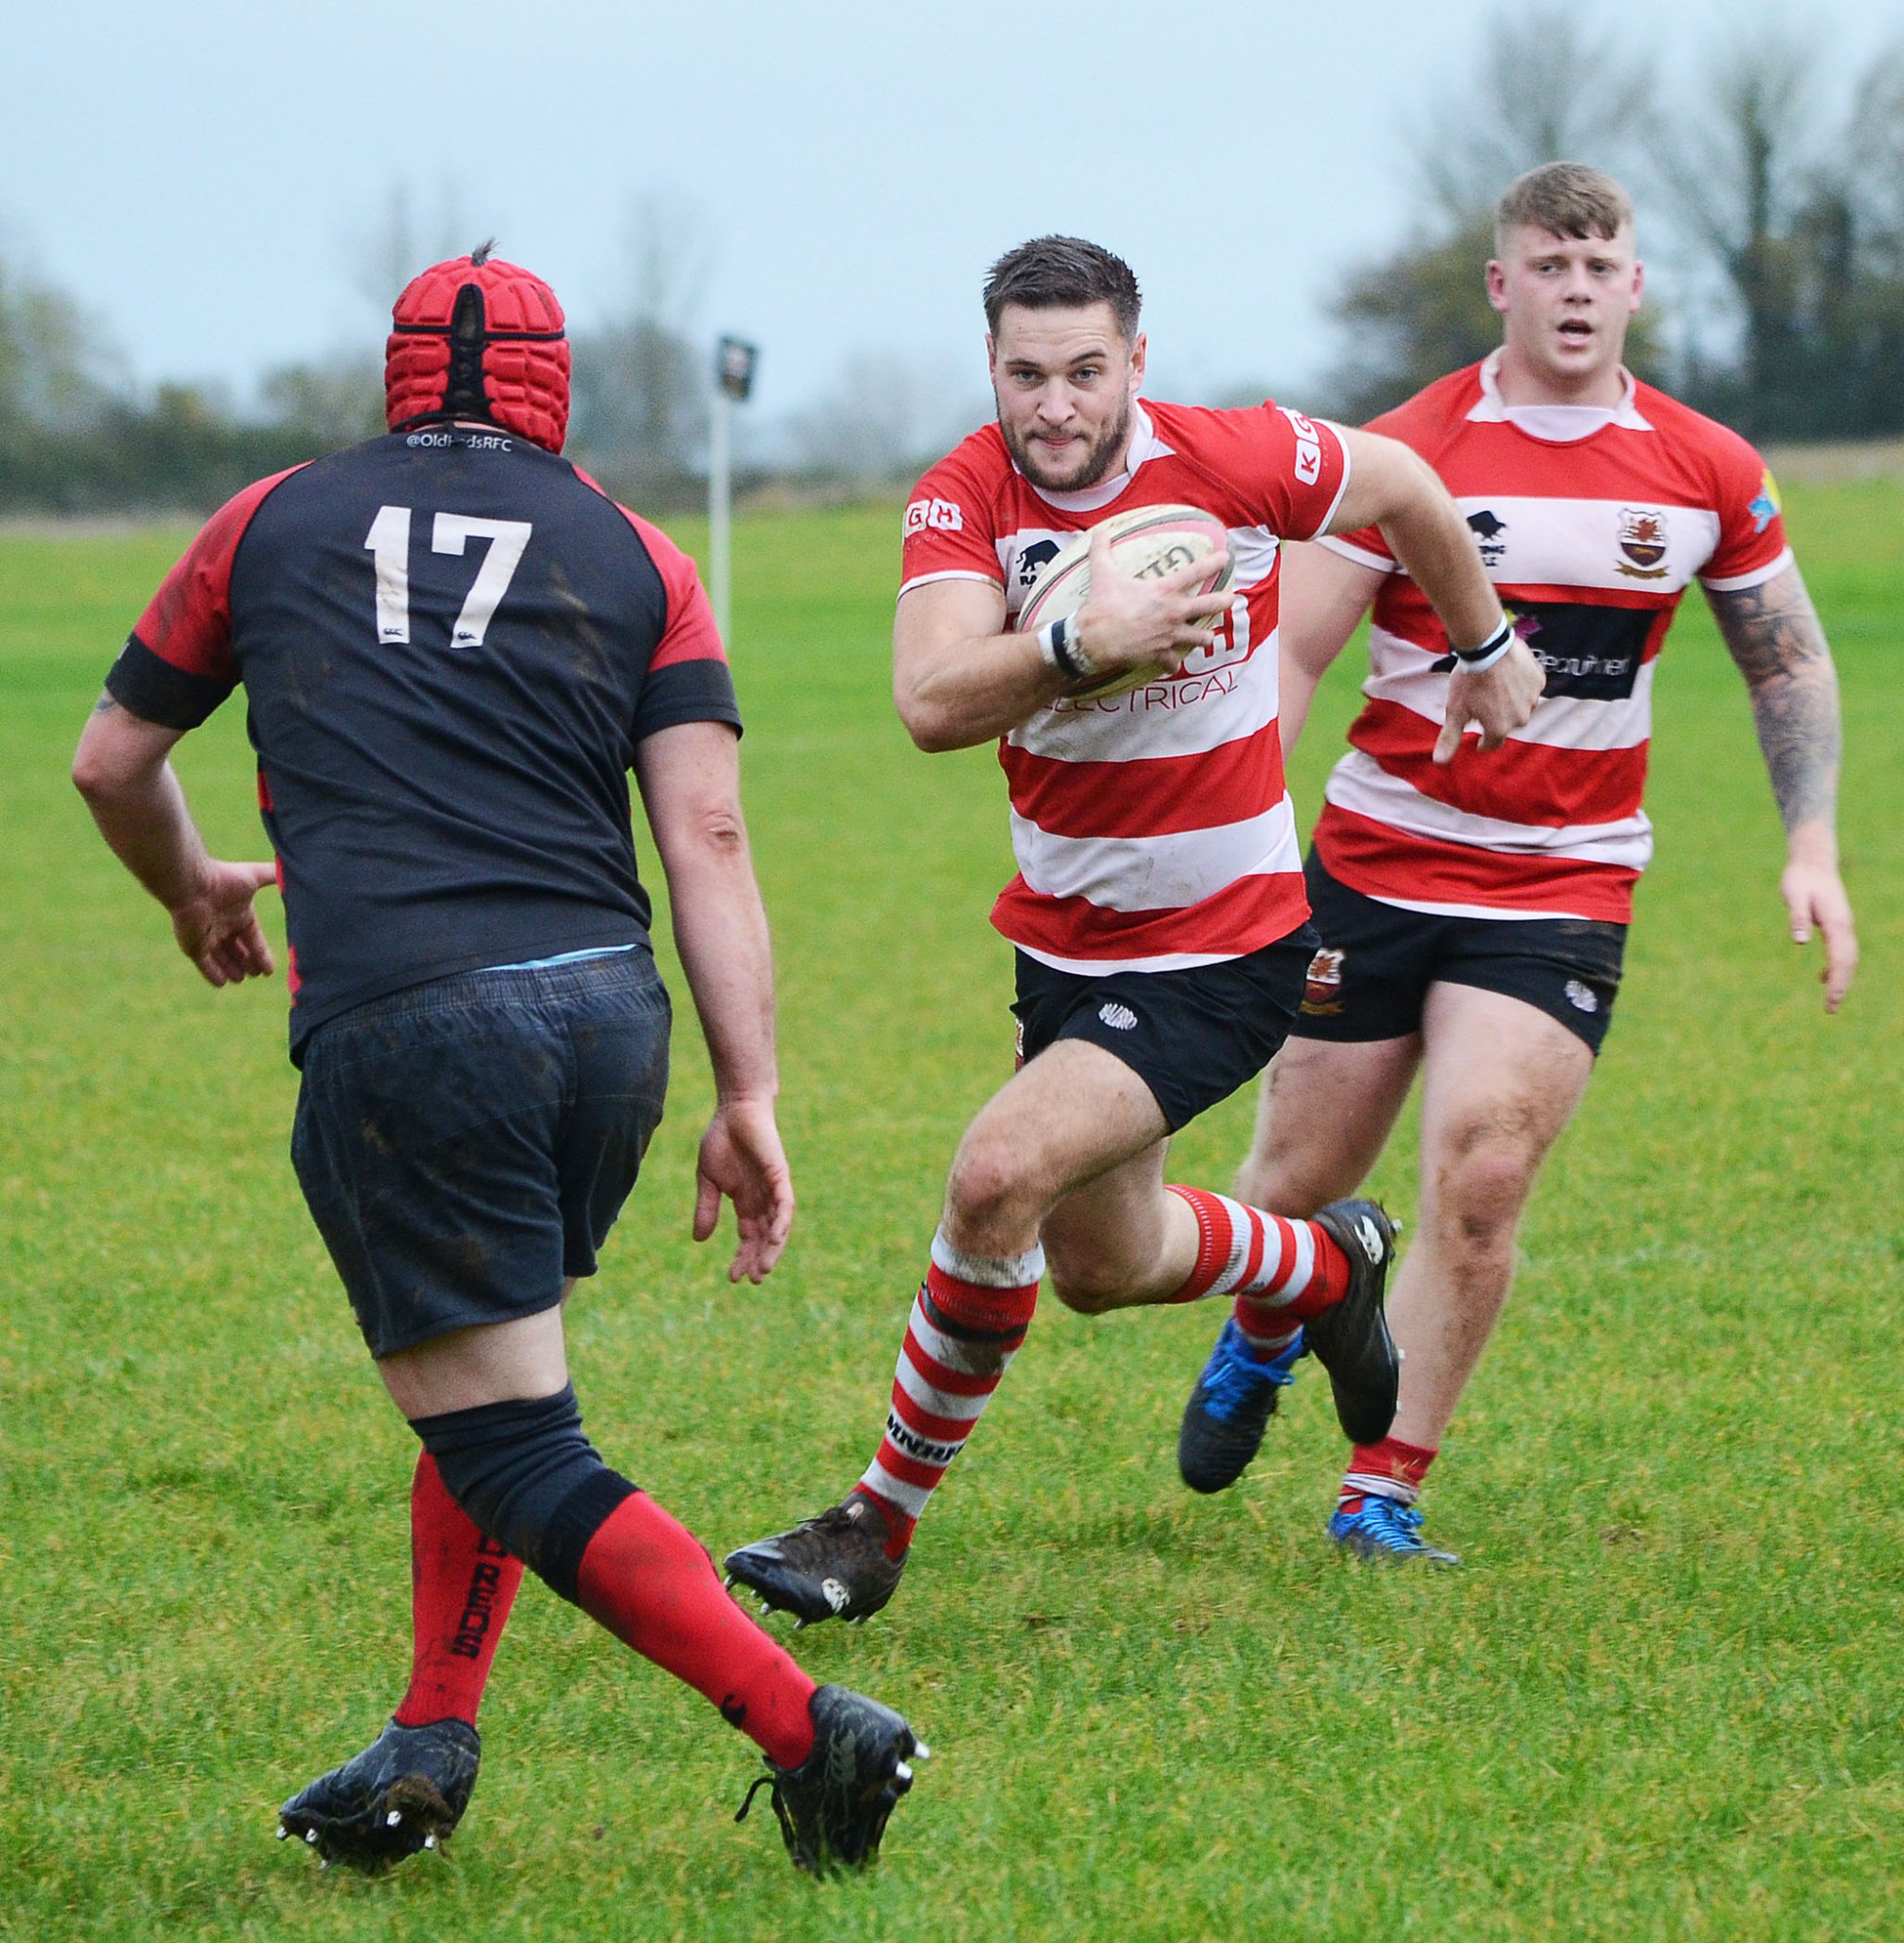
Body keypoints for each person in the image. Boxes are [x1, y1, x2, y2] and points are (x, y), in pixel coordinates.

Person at [69, 249, 921, 1878]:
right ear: (561, 382)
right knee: (494, 1391)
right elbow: (711, 837)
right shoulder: (642, 553)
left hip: (407, 1027)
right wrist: (748, 1096)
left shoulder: (266, 521)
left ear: (397, 368)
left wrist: (193, 889)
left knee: (513, 1436)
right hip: (605, 1026)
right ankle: (430, 1737)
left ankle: (816, 1733)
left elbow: (114, 761)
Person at [721, 234, 1533, 1626]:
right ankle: (1332, 1266)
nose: (1056, 406)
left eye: (1086, 371)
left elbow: (1403, 484)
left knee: (993, 1181)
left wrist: (1483, 642)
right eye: (1027, 374)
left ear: (1136, 364)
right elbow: (928, 701)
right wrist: (1085, 643)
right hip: (1068, 947)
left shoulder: (1233, 460)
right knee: (1107, 1266)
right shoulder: (960, 501)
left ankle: (873, 1526)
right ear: (991, 367)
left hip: (1228, 946)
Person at [1174, 162, 1858, 1563]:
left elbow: (1783, 657)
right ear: (1503, 283)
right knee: (1291, 1184)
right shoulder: (1410, 452)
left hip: (1563, 883)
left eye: (1602, 268)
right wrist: (1238, 848)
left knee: (1482, 1177)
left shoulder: (1705, 468)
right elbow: (1292, 652)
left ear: (1637, 286)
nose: (1578, 292)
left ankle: (1382, 1490)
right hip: (1372, 867)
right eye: (1551, 266)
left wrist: (1813, 844)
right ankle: (1266, 1329)